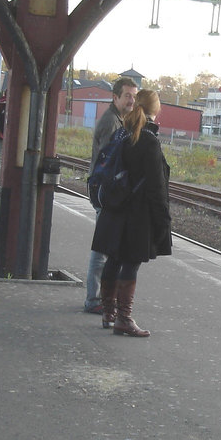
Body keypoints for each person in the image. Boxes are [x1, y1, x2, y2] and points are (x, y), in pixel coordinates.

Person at [90, 89, 171, 337]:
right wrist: (163, 222)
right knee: (130, 264)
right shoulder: (149, 141)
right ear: (155, 111)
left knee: (114, 260)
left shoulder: (122, 133)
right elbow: (157, 189)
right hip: (136, 217)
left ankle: (108, 313)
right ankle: (123, 318)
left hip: (114, 212)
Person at [84, 77, 139, 314]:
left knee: (105, 247)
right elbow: (111, 161)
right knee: (102, 249)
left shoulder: (119, 120)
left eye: (134, 97)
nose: (131, 101)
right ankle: (94, 299)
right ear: (114, 97)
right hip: (105, 193)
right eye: (127, 96)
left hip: (105, 192)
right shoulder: (111, 123)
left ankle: (99, 297)